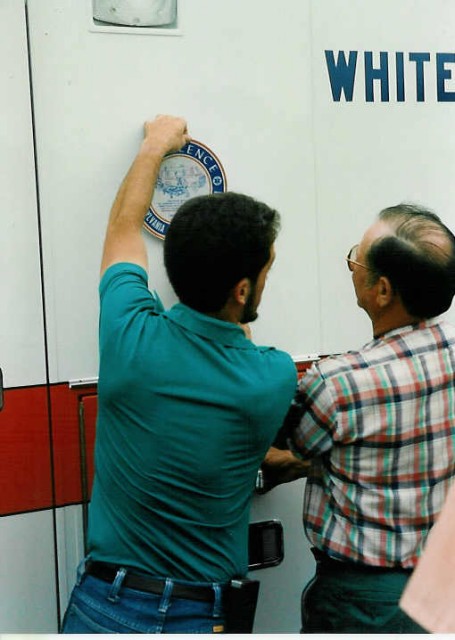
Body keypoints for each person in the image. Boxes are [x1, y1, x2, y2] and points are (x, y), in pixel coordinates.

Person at [60, 115, 298, 634]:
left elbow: (123, 228)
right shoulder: (270, 376)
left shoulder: (127, 335)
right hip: (201, 615)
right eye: (265, 272)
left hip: (103, 605)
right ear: (241, 291)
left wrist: (155, 145)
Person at [263, 203, 455, 633]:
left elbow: (288, 449)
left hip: (361, 603)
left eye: (357, 258)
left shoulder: (338, 383)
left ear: (382, 291)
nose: (351, 266)